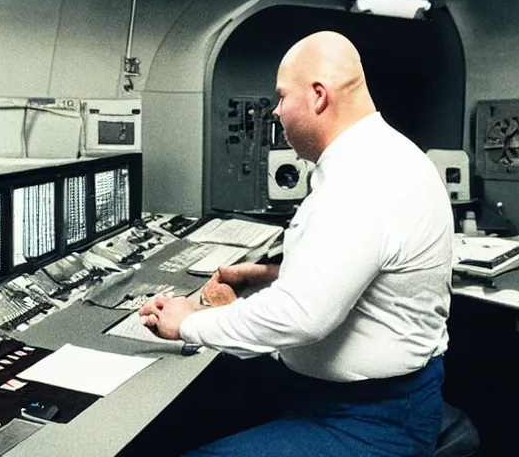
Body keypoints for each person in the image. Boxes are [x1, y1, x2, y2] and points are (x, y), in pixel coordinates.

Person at [139, 30, 453, 456]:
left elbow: (302, 317)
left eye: (283, 97)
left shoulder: (365, 180)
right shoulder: (382, 157)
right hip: (352, 397)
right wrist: (270, 274)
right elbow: (354, 267)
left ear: (318, 96)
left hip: (372, 420)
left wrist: (187, 323)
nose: (276, 111)